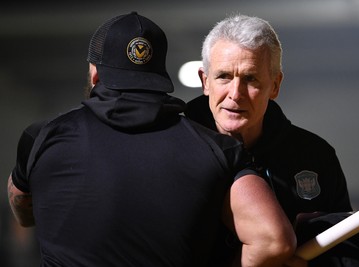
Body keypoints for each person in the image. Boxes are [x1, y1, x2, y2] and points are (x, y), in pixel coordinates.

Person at [7, 12, 297, 267]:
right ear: (159, 76)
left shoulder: (41, 136)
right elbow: (273, 241)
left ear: (95, 74)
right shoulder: (217, 150)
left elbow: (22, 208)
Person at [185, 14, 353, 265]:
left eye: (250, 78)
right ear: (204, 81)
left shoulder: (315, 156)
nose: (235, 94)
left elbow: (348, 251)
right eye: (224, 76)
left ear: (275, 85)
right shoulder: (172, 149)